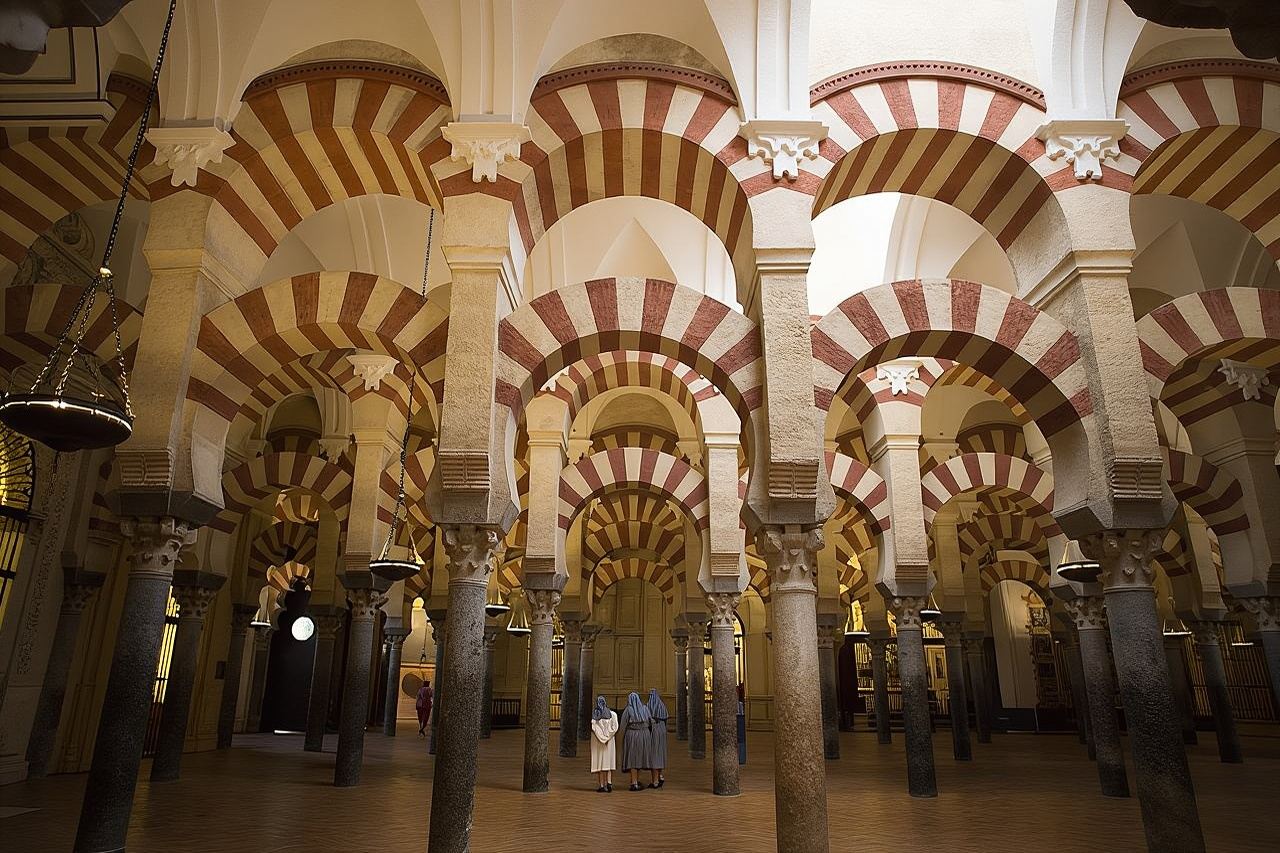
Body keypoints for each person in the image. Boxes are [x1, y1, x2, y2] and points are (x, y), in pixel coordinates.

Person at [617, 691, 652, 791]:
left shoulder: (628, 710)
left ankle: (634, 782)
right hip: (643, 736)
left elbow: (623, 725)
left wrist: (620, 738)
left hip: (631, 735)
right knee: (639, 758)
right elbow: (650, 722)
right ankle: (636, 780)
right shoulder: (645, 709)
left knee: (632, 759)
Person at [589, 695, 619, 792]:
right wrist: (607, 737)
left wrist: (602, 738)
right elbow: (615, 728)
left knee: (600, 763)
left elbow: (594, 729)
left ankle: (602, 785)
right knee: (608, 763)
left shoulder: (595, 716)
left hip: (598, 743)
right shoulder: (612, 714)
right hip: (609, 742)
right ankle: (609, 782)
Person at [645, 688, 668, 788]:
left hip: (654, 731)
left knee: (654, 755)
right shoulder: (662, 706)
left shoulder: (648, 707)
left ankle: (655, 781)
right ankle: (660, 776)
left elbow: (647, 719)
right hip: (662, 730)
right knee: (660, 754)